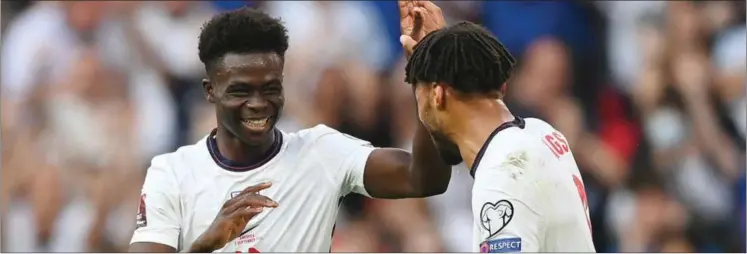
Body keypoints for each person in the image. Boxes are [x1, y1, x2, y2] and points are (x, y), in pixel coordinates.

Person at [127, 4, 456, 253]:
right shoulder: (171, 172)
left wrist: (427, 75)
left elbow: (425, 177)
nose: (258, 103)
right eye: (241, 90)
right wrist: (206, 244)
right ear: (210, 91)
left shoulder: (322, 151)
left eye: (270, 88)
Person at [399, 2, 597, 252]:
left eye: (419, 97)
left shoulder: (503, 174)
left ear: (438, 95)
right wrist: (438, 51)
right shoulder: (544, 133)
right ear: (502, 87)